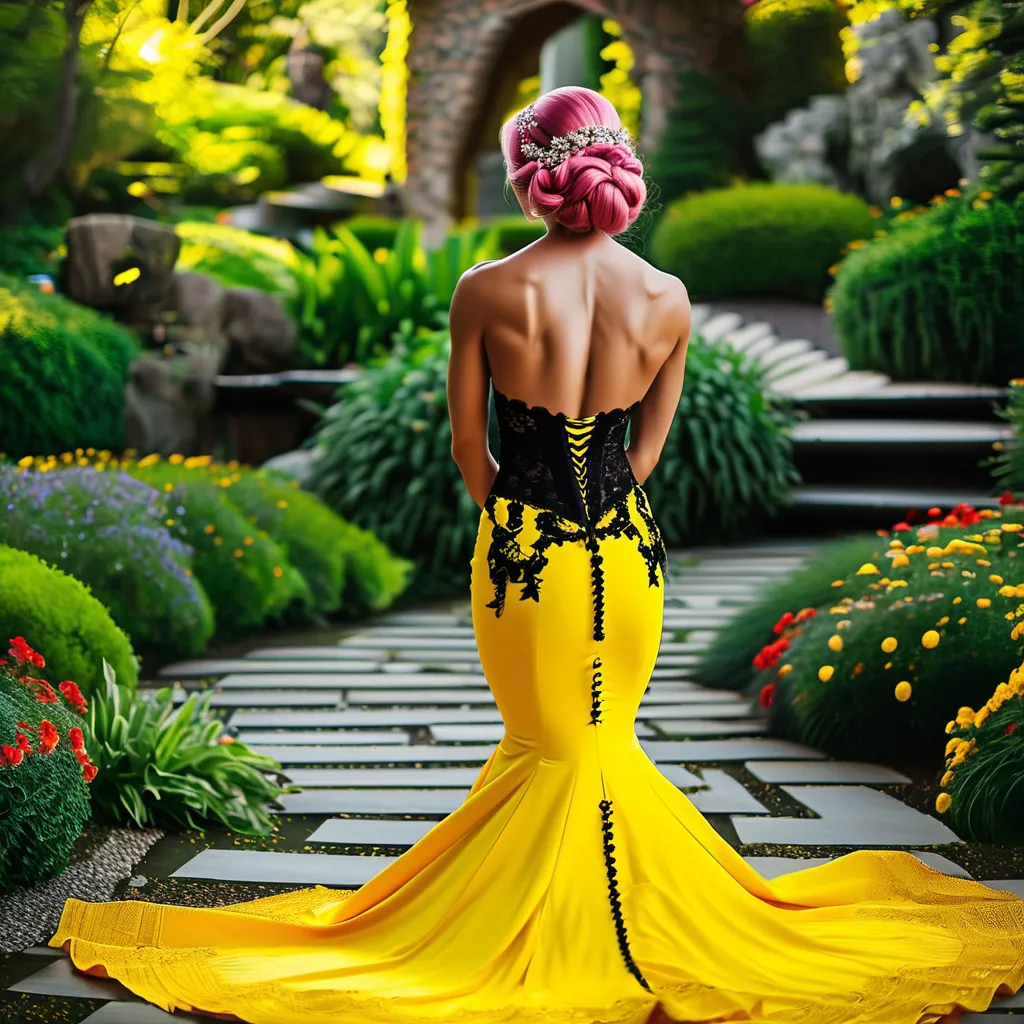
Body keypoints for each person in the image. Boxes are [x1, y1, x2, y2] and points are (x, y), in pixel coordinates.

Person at [49, 87, 1023, 1024]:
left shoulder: (488, 290)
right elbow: (643, 451)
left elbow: (468, 446)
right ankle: (624, 921)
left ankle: (553, 935)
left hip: (524, 551)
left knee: (545, 745)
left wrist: (511, 520)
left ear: (528, 178)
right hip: (627, 553)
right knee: (597, 745)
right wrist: (600, 513)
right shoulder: (666, 295)